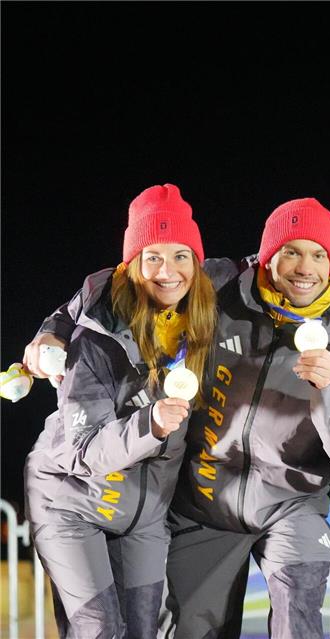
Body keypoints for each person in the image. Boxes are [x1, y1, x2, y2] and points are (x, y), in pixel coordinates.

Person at [26, 197, 330, 638]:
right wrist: (53, 329)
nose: (304, 267)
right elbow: (108, 285)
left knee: (300, 613)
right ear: (268, 258)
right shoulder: (221, 284)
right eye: (290, 251)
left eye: (318, 255)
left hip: (290, 501)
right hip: (202, 502)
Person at [24, 184, 216, 638]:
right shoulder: (94, 339)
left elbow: (273, 270)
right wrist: (149, 425)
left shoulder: (208, 306)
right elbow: (81, 452)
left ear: (198, 264)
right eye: (152, 257)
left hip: (144, 514)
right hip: (71, 501)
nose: (168, 271)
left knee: (145, 630)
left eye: (181, 256)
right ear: (131, 267)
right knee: (100, 628)